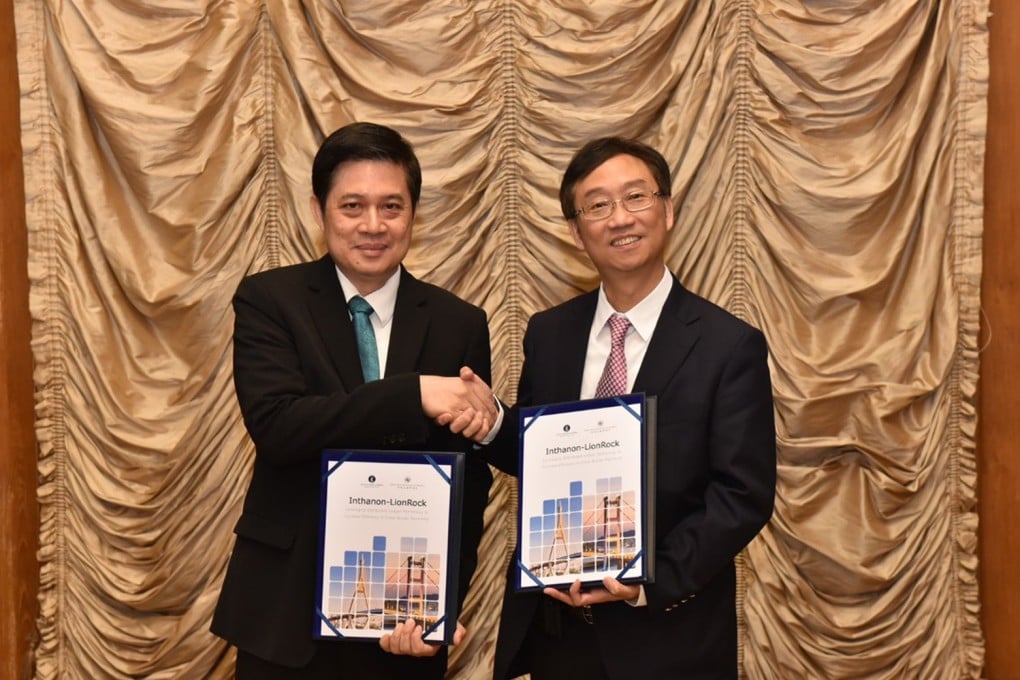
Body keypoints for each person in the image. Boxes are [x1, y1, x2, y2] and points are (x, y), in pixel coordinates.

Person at [458, 136, 777, 679]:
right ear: (576, 232)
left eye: (636, 197)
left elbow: (741, 495)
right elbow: (545, 457)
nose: (620, 218)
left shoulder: (729, 345)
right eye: (598, 206)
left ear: (668, 210)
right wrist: (492, 425)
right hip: (558, 635)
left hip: (668, 638)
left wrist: (648, 581)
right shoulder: (550, 332)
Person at [211, 122, 498, 679]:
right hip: (283, 616)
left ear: (414, 212)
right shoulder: (271, 300)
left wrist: (442, 605)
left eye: (392, 206)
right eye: (352, 206)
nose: (373, 225)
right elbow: (279, 426)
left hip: (405, 617)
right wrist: (414, 394)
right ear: (319, 212)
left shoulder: (459, 322)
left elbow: (469, 478)